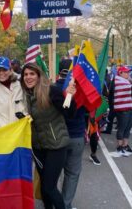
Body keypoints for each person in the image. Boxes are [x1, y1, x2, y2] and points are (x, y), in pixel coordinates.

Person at [21, 62, 76, 209]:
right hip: (38, 148)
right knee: (44, 189)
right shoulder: (25, 94)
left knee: (48, 187)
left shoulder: (51, 90)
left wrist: (70, 96)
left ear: (39, 76)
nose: (28, 77)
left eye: (32, 74)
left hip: (56, 145)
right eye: (25, 74)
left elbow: (69, 113)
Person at [55, 59, 87, 209]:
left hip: (57, 137)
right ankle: (66, 204)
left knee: (53, 173)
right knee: (72, 174)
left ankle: (55, 202)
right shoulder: (85, 88)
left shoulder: (53, 88)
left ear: (59, 72)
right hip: (76, 135)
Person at [0, 56, 27, 129]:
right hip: (0, 133)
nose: (1, 73)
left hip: (18, 131)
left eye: (4, 70)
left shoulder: (21, 85)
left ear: (10, 70)